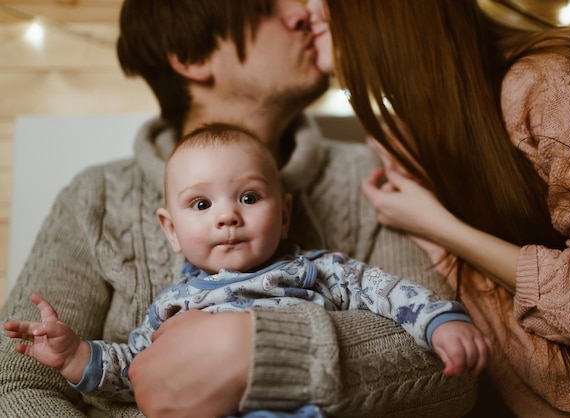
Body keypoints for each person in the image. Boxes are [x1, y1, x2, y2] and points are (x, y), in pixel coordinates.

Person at [0, 1, 480, 417]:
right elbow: (17, 383)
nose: (305, 14)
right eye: (263, 7)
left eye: (251, 198)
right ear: (192, 56)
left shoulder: (369, 179)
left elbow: (452, 372)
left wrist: (248, 351)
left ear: (285, 210)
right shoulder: (96, 198)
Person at [5, 124, 490, 414]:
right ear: (170, 229)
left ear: (284, 213)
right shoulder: (170, 307)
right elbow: (131, 371)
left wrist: (440, 321)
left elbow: (389, 292)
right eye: (200, 203)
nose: (227, 215)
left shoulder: (316, 270)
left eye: (249, 197)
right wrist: (77, 357)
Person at [308, 0, 570, 417]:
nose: (305, 14)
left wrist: (441, 227)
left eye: (322, 8)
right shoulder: (407, 136)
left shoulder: (553, 83)